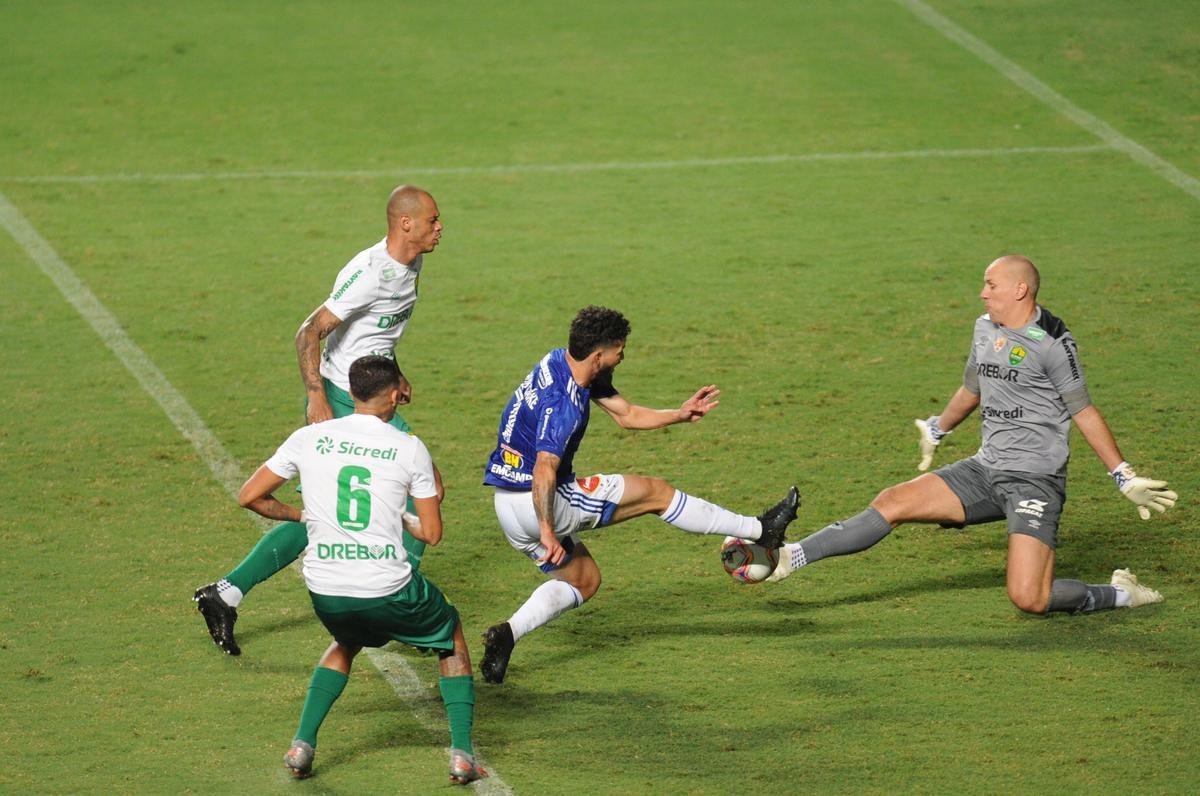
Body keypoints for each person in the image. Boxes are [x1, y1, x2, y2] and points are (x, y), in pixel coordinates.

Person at [767, 255, 1178, 617]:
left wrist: (1123, 476)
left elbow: (1083, 410)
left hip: (1034, 481)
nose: (983, 293)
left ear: (1020, 290)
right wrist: (938, 428)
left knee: (1030, 597)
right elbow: (972, 388)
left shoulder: (1053, 342)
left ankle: (1121, 594)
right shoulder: (984, 328)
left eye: (991, 285)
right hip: (984, 470)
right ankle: (791, 556)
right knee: (892, 501)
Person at [478, 306, 801, 684]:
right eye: (619, 351)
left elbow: (626, 414)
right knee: (656, 493)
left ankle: (506, 635)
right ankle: (762, 530)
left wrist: (679, 414)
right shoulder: (564, 402)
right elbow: (545, 469)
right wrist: (548, 531)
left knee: (584, 581)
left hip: (506, 507)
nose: (622, 357)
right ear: (598, 355)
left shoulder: (560, 361)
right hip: (541, 502)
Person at [195, 185, 443, 656]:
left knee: (331, 510)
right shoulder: (370, 273)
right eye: (432, 220)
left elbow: (376, 332)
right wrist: (316, 396)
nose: (440, 227)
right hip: (343, 398)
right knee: (421, 487)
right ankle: (401, 602)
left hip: (370, 389)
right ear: (405, 223)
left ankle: (225, 593)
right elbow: (309, 331)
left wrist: (394, 373)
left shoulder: (412, 261)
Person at [235, 355, 486, 784]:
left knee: (346, 639)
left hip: (326, 590)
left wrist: (302, 516)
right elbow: (431, 533)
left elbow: (249, 496)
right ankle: (462, 754)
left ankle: (301, 744)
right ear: (394, 395)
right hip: (387, 587)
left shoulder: (308, 437)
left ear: (351, 392)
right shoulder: (408, 447)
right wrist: (404, 518)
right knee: (450, 634)